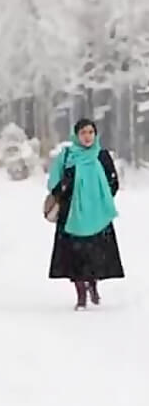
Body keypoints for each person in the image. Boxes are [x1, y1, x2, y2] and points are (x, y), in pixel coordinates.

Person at [47, 118, 124, 310]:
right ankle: (81, 295)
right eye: (83, 133)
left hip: (97, 214)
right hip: (72, 214)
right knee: (75, 258)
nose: (87, 136)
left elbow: (113, 183)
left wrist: (99, 199)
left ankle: (93, 284)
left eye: (90, 132)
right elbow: (54, 184)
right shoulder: (67, 156)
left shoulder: (102, 156)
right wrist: (66, 188)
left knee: (95, 256)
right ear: (76, 135)